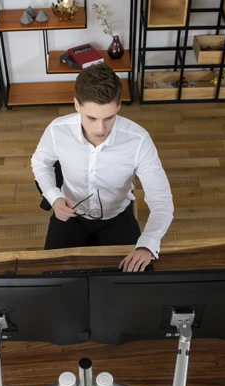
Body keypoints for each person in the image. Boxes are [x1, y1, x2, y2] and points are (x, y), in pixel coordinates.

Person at [31, 63, 174, 272]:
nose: (100, 129)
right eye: (91, 118)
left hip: (117, 218)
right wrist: (54, 197)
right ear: (77, 105)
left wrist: (148, 244)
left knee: (131, 282)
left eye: (109, 118)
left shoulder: (139, 140)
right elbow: (40, 162)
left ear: (118, 106)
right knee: (53, 276)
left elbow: (161, 201)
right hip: (70, 215)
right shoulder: (57, 130)